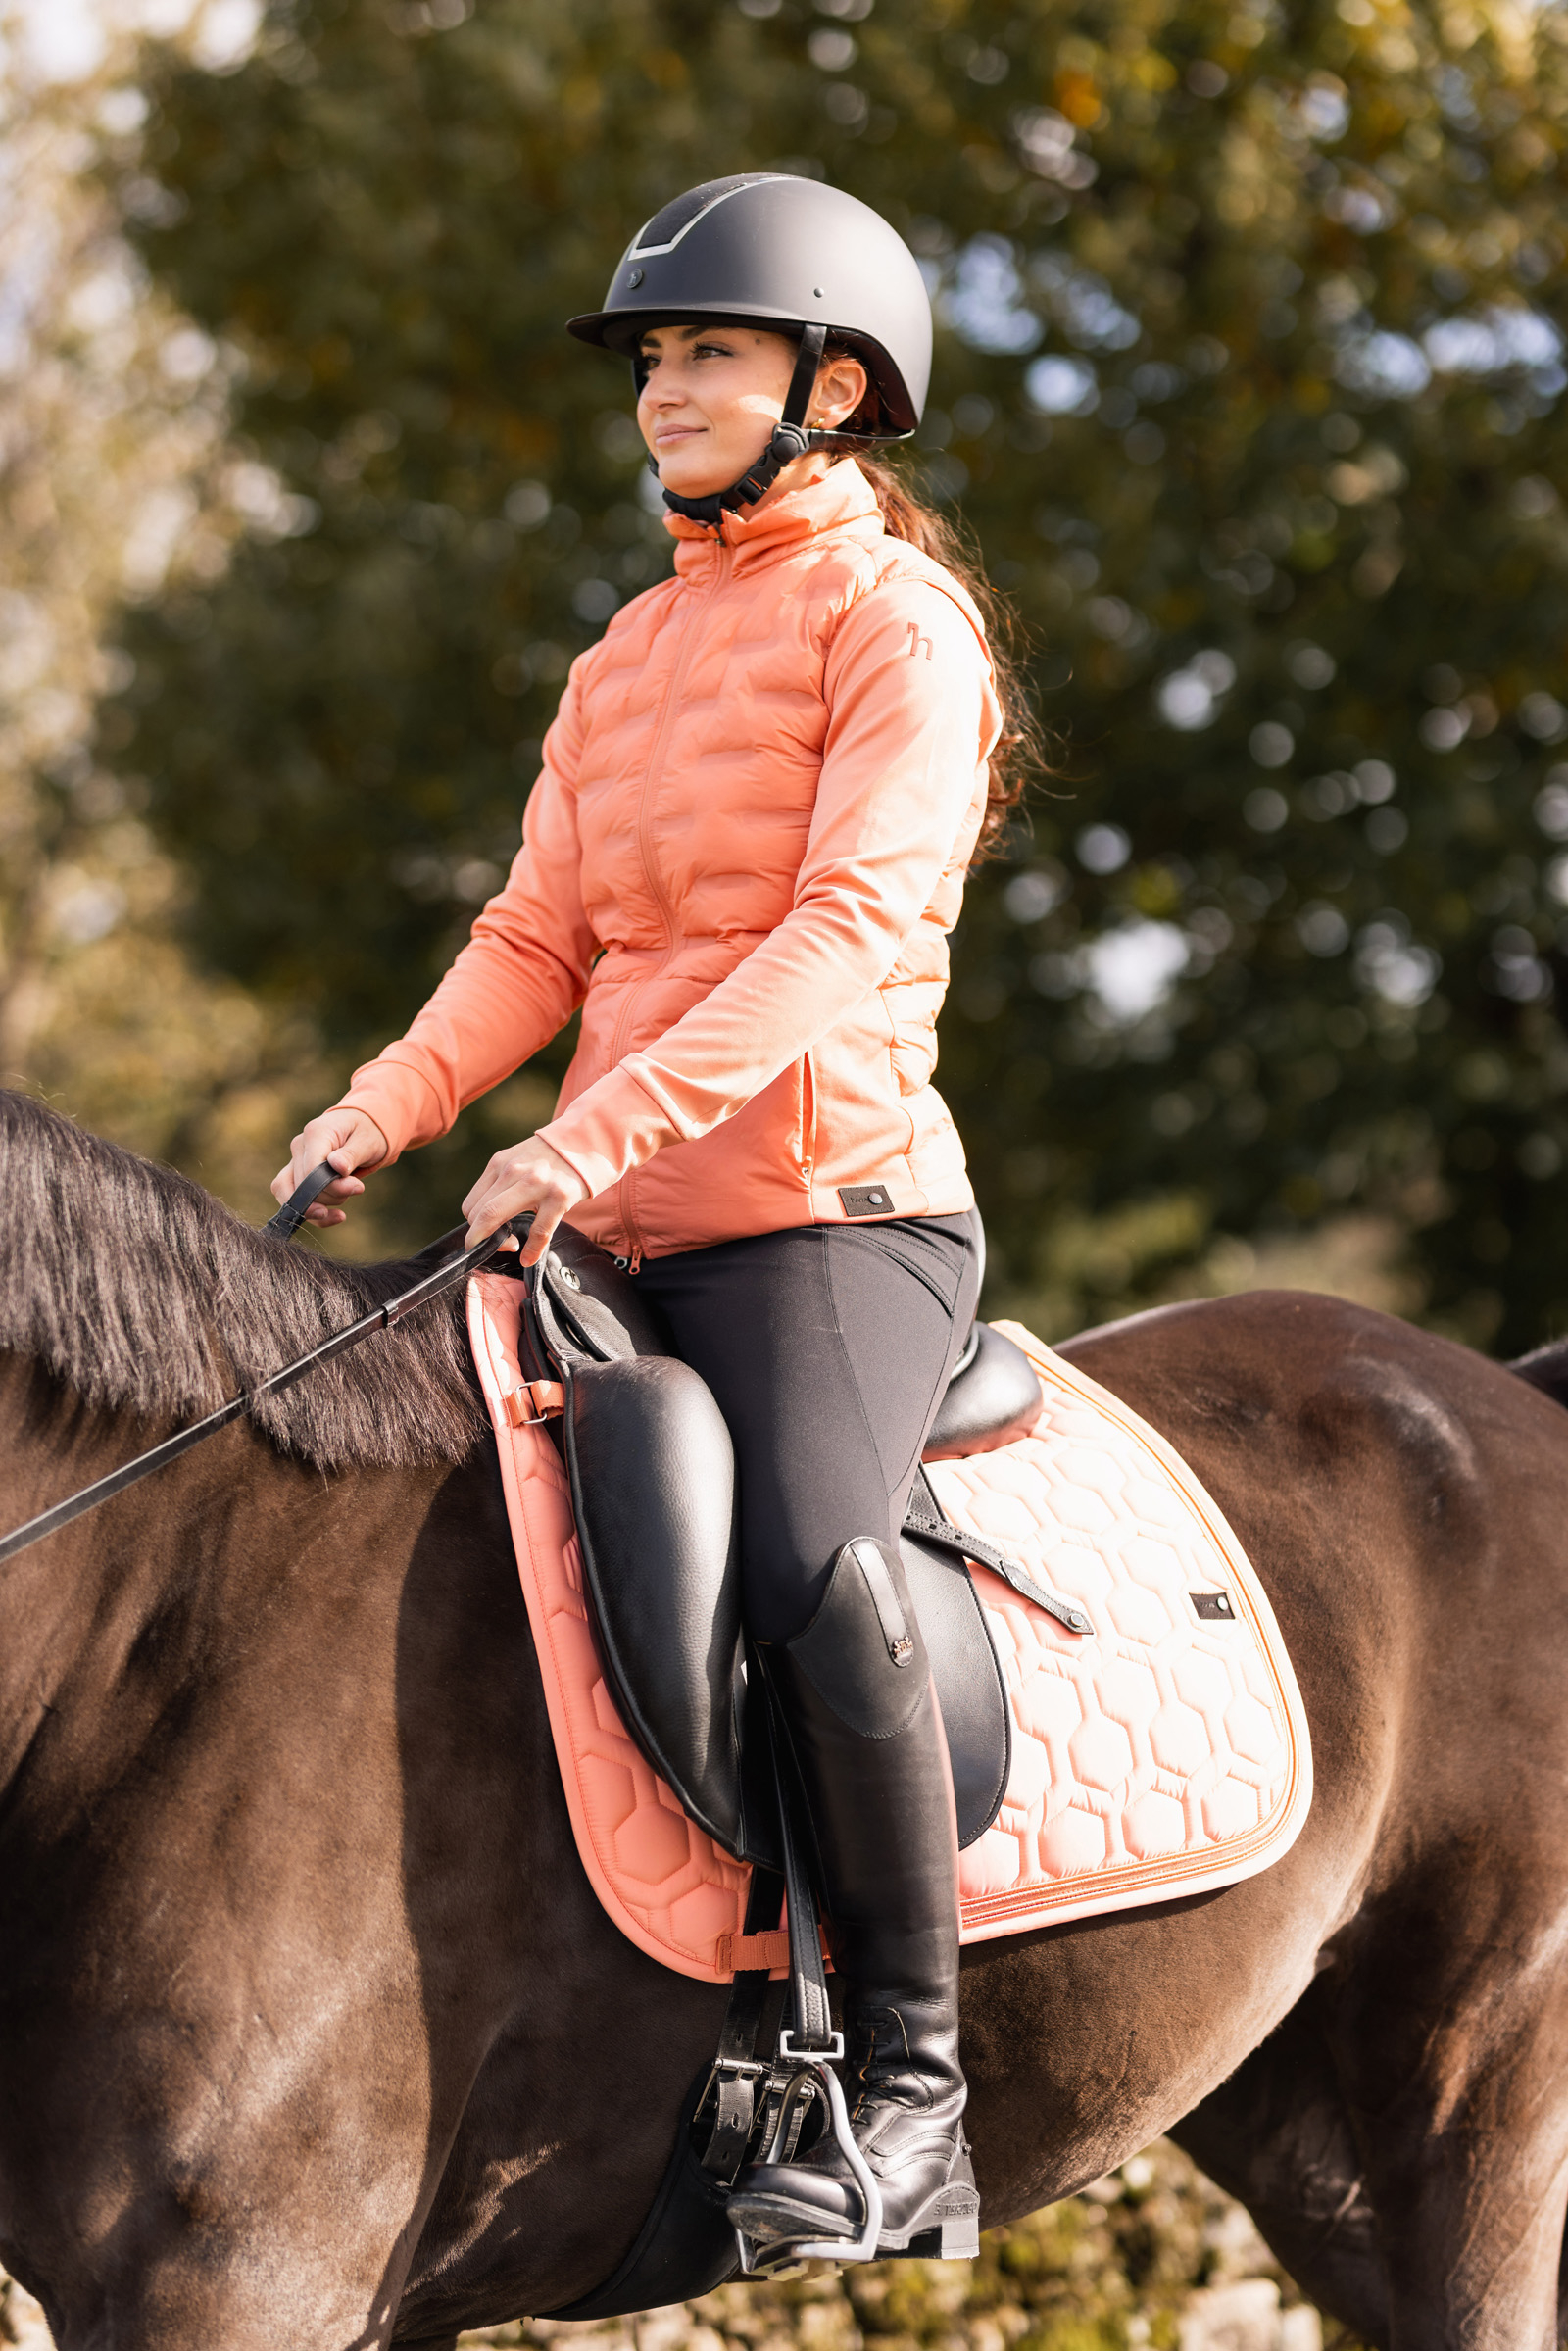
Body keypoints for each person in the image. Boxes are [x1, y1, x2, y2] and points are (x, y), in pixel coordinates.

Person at [272, 172, 1035, 2262]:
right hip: (613, 1216)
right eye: (650, 359)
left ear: (831, 387)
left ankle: (911, 2095)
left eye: (707, 350)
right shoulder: (625, 655)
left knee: (807, 1561)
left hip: (828, 1222)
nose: (662, 391)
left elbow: (845, 932)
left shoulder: (899, 629)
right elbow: (538, 935)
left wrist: (582, 1141)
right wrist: (388, 1103)